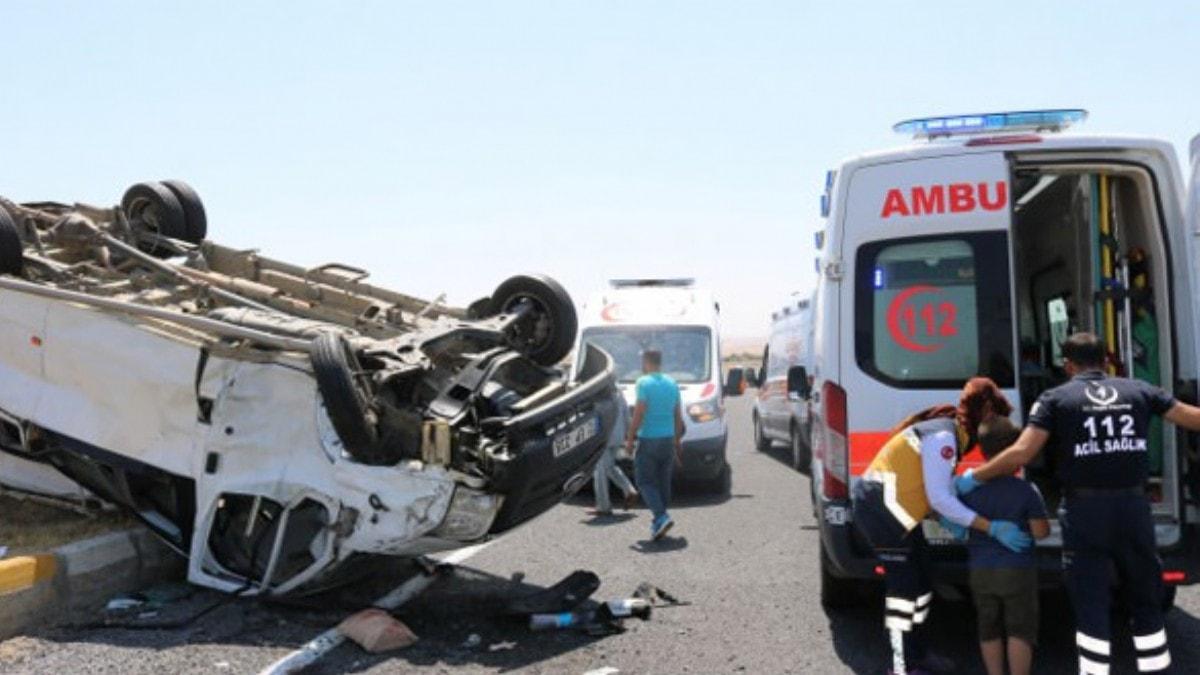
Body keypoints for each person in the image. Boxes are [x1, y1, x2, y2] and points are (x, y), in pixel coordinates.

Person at [958, 332, 1200, 674]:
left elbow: (1023, 452)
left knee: (1091, 601)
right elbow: (1193, 418)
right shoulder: (1142, 391)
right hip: (1133, 508)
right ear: (1106, 361)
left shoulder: (1056, 398)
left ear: (1068, 365)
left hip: (1086, 514)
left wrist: (975, 477)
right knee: (1146, 598)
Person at [851, 377, 1032, 675]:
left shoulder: (951, 434)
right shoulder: (944, 438)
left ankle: (918, 656)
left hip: (899, 514)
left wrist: (955, 521)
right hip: (882, 513)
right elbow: (939, 497)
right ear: (985, 411)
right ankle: (902, 666)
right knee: (904, 590)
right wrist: (989, 527)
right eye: (994, 420)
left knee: (923, 579)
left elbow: (935, 496)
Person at [961, 418, 1050, 675]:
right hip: (1018, 571)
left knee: (988, 628)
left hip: (980, 570)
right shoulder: (1026, 491)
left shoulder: (969, 492)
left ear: (981, 449)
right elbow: (1040, 532)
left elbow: (956, 519)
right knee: (1020, 630)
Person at [623, 349, 684, 540]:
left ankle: (661, 516)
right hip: (667, 439)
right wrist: (677, 442)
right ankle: (660, 522)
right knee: (663, 481)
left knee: (644, 481)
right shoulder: (672, 383)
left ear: (646, 362)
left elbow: (639, 413)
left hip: (649, 438)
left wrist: (631, 439)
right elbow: (677, 415)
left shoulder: (643, 382)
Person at [591, 397, 639, 515]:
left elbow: (595, 415)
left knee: (600, 470)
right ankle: (629, 490)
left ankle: (603, 506)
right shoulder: (617, 391)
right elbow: (626, 413)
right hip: (618, 435)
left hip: (604, 436)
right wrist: (628, 434)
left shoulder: (599, 393)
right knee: (609, 467)